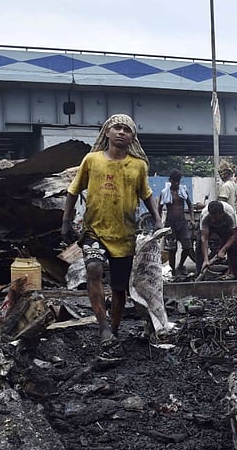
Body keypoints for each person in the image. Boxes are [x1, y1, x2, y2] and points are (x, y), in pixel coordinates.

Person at [61, 113, 163, 348]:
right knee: (94, 268)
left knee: (119, 288)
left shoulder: (138, 166)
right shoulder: (92, 160)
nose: (121, 132)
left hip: (124, 235)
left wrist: (157, 219)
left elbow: (147, 195)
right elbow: (73, 190)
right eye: (116, 128)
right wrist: (65, 221)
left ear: (132, 138)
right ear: (106, 132)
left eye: (127, 130)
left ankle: (113, 331)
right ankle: (103, 327)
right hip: (94, 231)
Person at [159, 169, 195, 277]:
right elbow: (159, 208)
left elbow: (190, 205)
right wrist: (159, 223)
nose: (176, 183)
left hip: (182, 222)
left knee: (187, 246)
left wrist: (192, 219)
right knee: (172, 249)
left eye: (178, 181)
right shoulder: (164, 192)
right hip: (170, 223)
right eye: (175, 181)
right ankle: (173, 270)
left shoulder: (183, 191)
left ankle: (180, 265)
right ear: (170, 180)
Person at [199, 200, 237, 280]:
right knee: (199, 245)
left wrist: (223, 250)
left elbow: (234, 235)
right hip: (209, 227)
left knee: (235, 248)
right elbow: (204, 238)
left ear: (222, 213)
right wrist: (206, 259)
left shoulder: (229, 214)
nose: (213, 220)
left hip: (226, 225)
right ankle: (200, 274)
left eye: (216, 218)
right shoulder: (205, 216)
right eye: (212, 217)